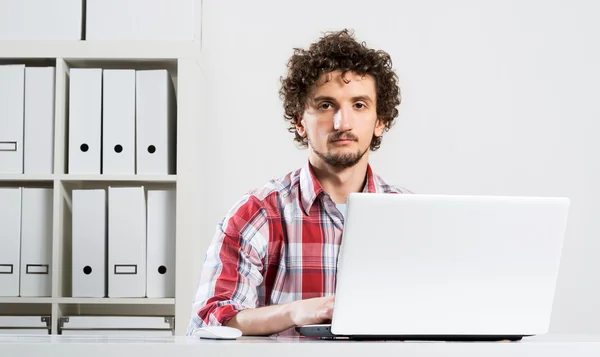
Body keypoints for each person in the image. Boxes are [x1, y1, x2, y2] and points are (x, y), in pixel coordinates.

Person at [186, 28, 411, 337]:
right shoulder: (257, 213)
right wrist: (294, 312)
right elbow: (208, 322)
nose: (342, 123)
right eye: (325, 105)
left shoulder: (411, 216)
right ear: (298, 121)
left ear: (380, 121)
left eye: (359, 105)